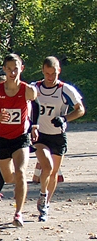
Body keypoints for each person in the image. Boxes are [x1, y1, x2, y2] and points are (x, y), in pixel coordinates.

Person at [0, 53, 37, 227]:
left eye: (16, 69)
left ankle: (18, 213)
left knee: (21, 173)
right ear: (4, 69)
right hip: (2, 139)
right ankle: (13, 186)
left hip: (21, 138)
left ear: (21, 69)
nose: (13, 72)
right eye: (9, 69)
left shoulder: (28, 90)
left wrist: (35, 126)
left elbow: (37, 107)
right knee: (10, 178)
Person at [30, 56, 85, 222]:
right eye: (47, 73)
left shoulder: (65, 89)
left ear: (58, 71)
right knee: (46, 166)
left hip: (58, 136)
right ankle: (42, 194)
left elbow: (80, 109)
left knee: (53, 172)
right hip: (40, 135)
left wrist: (65, 118)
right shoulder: (35, 88)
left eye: (53, 73)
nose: (50, 77)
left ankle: (45, 204)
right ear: (43, 71)